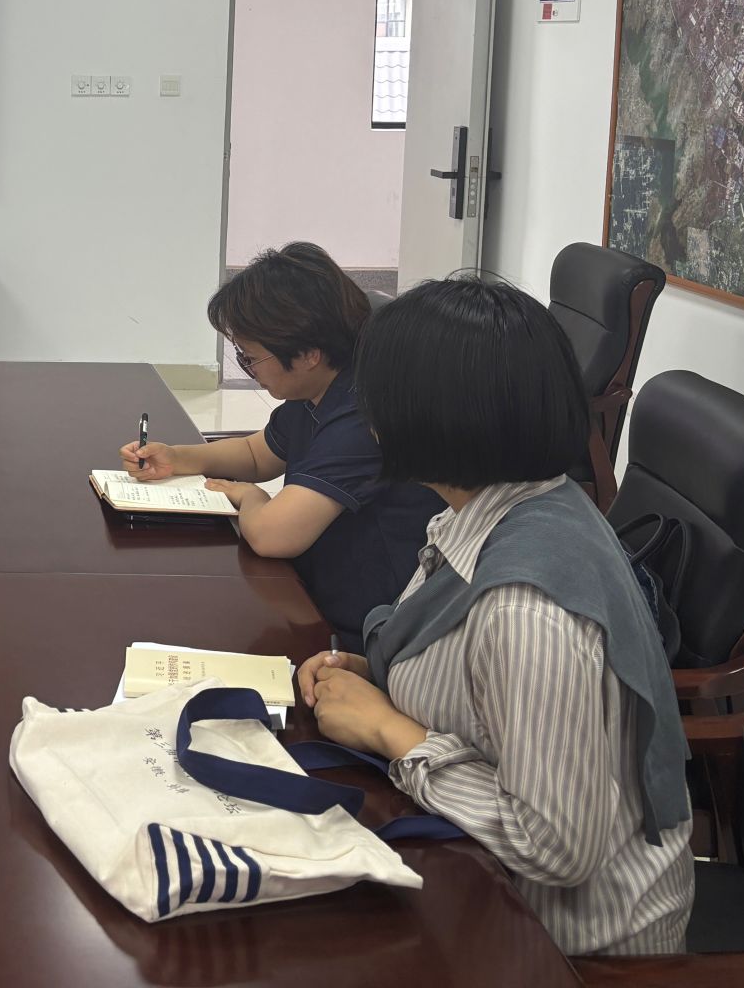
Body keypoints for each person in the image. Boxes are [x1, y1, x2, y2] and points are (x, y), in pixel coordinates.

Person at [295, 277, 692, 957]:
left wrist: (391, 729)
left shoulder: (525, 609)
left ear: (425, 417)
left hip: (562, 944)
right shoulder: (516, 503)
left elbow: (556, 845)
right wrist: (376, 673)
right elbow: (473, 678)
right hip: (473, 876)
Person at [119, 242, 442, 649]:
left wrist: (251, 498)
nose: (248, 369)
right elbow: (258, 454)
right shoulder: (318, 390)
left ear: (307, 355)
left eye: (251, 358)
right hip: (314, 589)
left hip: (361, 629)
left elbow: (274, 536)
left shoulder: (362, 417)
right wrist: (178, 458)